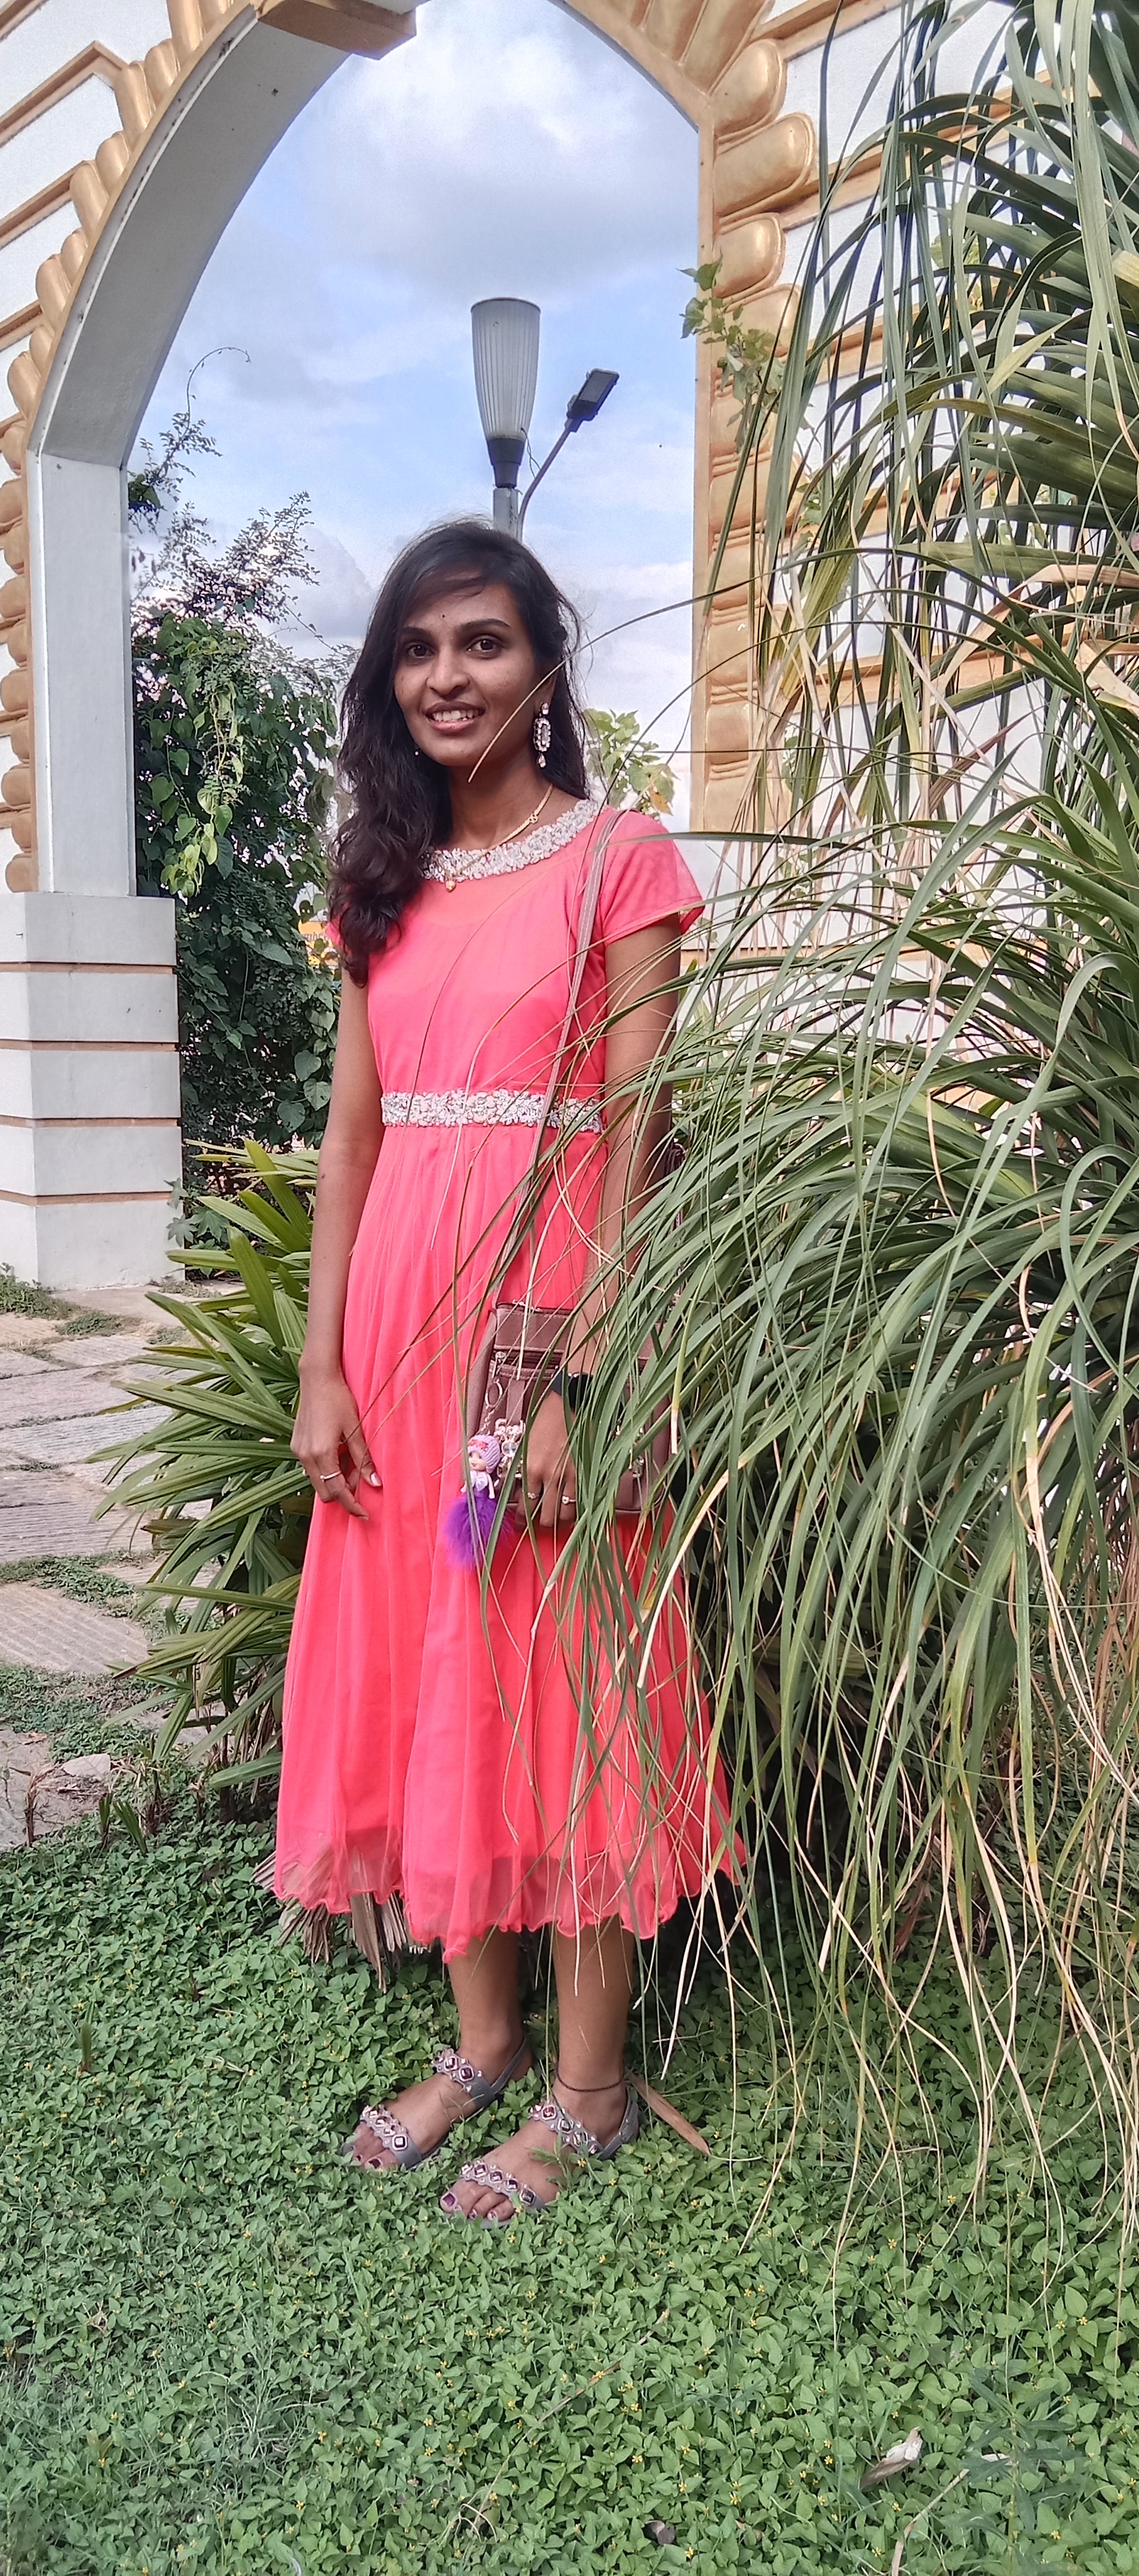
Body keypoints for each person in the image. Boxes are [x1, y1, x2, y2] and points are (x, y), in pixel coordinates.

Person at [274, 518, 730, 2223]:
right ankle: (481, 2046)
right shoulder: (381, 882)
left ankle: (591, 2091)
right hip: (397, 1341)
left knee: (567, 1683)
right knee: (431, 1667)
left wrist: (576, 1379)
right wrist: (321, 1367)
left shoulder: (621, 862)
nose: (447, 677)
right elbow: (351, 1141)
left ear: (546, 661)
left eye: (482, 642)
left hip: (541, 1329)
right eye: (417, 649)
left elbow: (633, 1140)